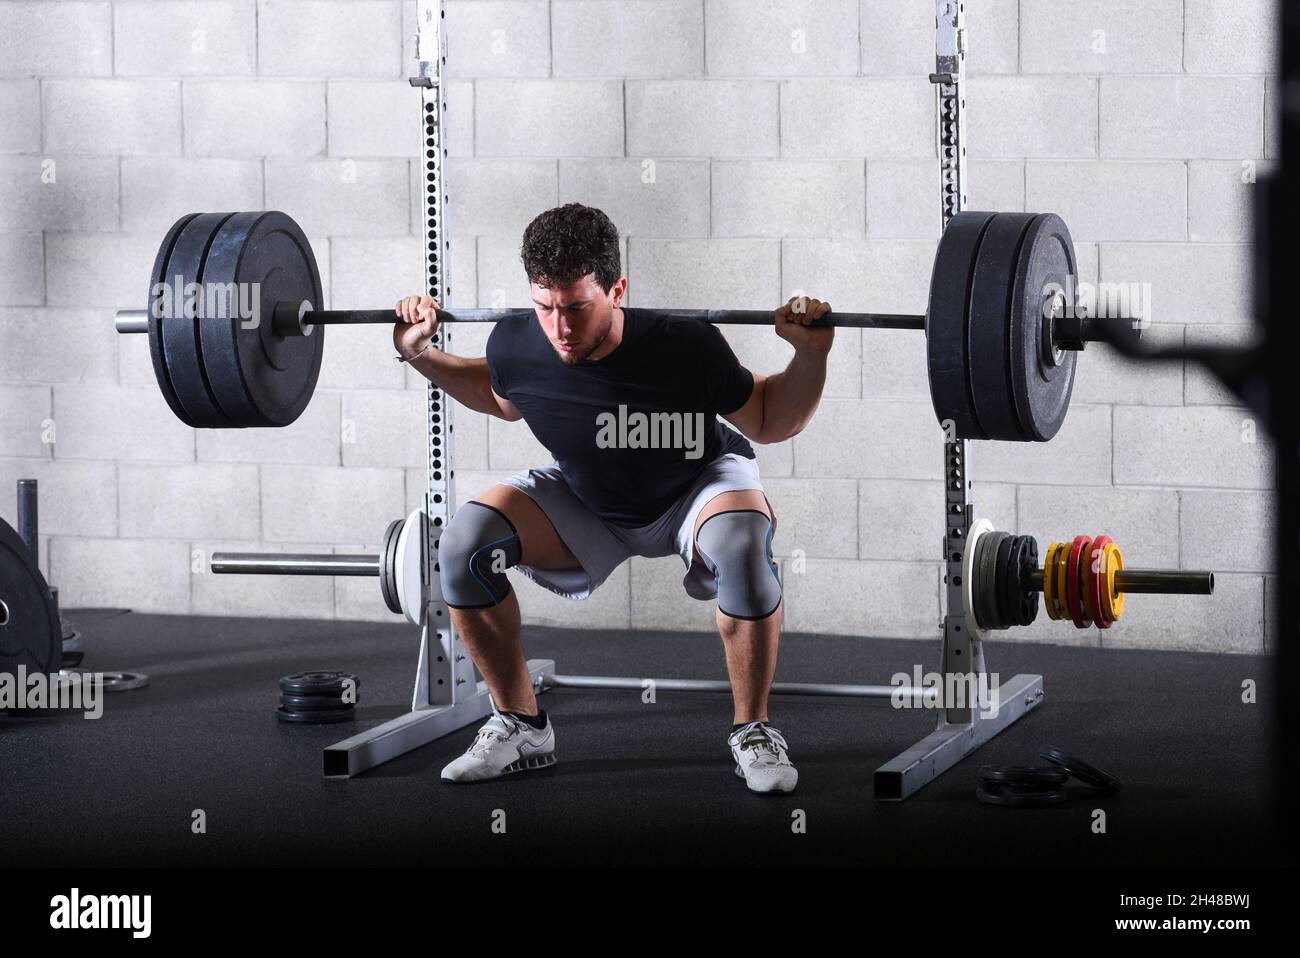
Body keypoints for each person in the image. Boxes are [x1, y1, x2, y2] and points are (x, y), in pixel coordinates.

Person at [394, 203, 833, 794]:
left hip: (693, 487)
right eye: (545, 308)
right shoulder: (518, 344)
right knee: (464, 547)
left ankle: (752, 731)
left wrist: (810, 354)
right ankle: (522, 724)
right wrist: (420, 352)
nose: (560, 328)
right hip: (588, 494)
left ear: (616, 289)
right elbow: (497, 393)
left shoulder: (685, 346)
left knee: (744, 550)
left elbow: (770, 417)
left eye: (576, 307)